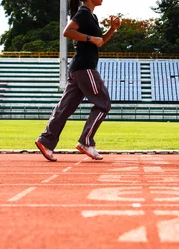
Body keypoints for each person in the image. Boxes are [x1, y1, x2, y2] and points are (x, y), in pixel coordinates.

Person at [35, 0, 120, 162]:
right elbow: (67, 32)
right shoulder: (83, 13)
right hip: (85, 67)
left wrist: (112, 29)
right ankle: (86, 142)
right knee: (103, 103)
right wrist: (89, 38)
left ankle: (46, 141)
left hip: (78, 68)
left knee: (65, 107)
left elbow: (99, 42)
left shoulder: (91, 17)